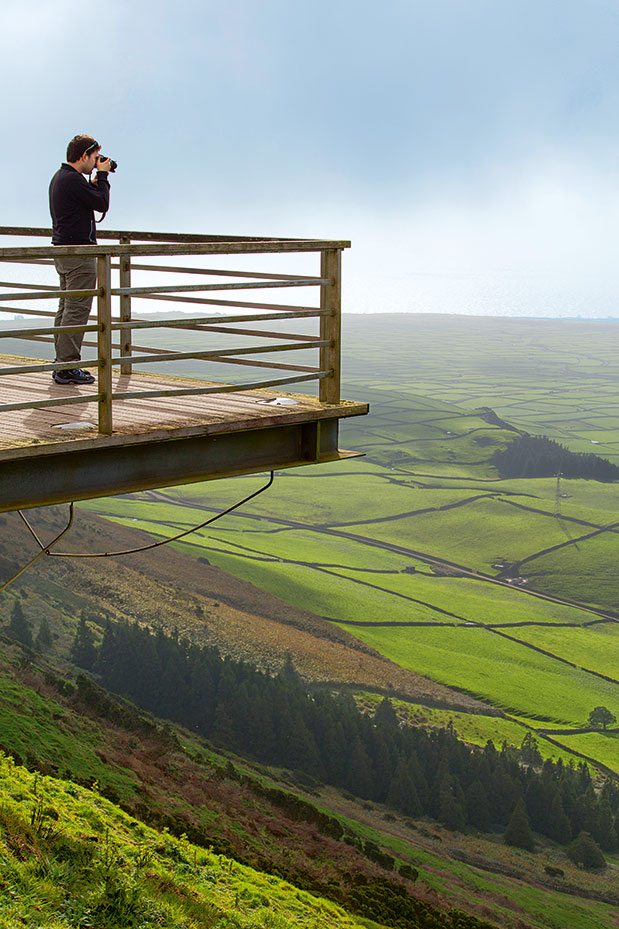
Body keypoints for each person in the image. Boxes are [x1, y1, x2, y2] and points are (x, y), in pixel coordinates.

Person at [48, 134, 112, 385]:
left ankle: (62, 362)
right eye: (95, 158)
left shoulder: (61, 178)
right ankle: (67, 367)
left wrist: (94, 182)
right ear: (84, 155)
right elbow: (101, 203)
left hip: (63, 252)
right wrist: (104, 179)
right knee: (77, 309)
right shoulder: (73, 180)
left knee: (66, 308)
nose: (97, 163)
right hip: (78, 254)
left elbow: (89, 201)